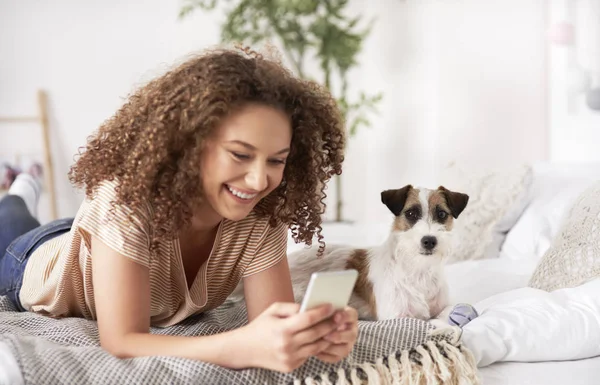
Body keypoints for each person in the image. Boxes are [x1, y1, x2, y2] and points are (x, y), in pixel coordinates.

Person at [0, 46, 358, 373]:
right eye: (240, 154)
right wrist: (238, 348)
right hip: (34, 258)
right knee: (11, 222)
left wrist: (312, 336)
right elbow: (122, 341)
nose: (257, 179)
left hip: (105, 244)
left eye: (276, 160)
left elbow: (270, 324)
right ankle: (19, 193)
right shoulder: (125, 199)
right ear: (191, 143)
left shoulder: (262, 213)